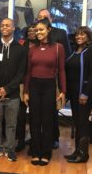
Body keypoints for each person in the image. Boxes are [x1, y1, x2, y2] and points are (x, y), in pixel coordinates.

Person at [23, 18, 66, 166]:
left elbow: (61, 71)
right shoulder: (32, 49)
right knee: (34, 121)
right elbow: (28, 72)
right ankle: (35, 152)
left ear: (49, 30)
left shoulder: (58, 48)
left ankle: (46, 153)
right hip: (34, 86)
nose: (38, 32)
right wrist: (26, 92)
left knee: (47, 122)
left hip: (49, 87)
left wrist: (62, 90)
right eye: (36, 30)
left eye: (41, 29)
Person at [0, 18, 26, 162]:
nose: (4, 27)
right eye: (2, 25)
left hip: (13, 94)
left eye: (8, 25)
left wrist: (7, 90)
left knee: (11, 124)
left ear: (14, 28)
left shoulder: (20, 49)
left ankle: (9, 150)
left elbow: (21, 73)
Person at [64, 26, 92, 163]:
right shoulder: (75, 51)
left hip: (85, 94)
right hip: (73, 94)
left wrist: (85, 93)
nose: (79, 37)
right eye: (77, 35)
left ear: (88, 37)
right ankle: (76, 151)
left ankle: (83, 154)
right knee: (77, 123)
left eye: (83, 35)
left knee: (83, 123)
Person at [37, 9, 71, 149]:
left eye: (46, 17)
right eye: (40, 17)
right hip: (37, 78)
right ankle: (38, 138)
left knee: (52, 112)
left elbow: (67, 56)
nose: (43, 19)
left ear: (51, 19)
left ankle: (53, 138)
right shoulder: (35, 32)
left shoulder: (60, 33)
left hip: (54, 79)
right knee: (38, 112)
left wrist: (63, 85)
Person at [15, 23, 37, 152]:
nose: (32, 32)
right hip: (22, 83)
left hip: (37, 83)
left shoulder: (42, 46)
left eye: (34, 30)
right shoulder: (22, 44)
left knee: (35, 115)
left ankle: (34, 142)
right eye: (29, 30)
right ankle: (21, 141)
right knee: (20, 116)